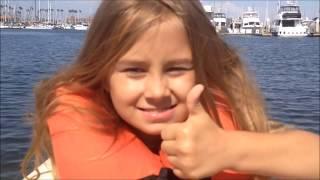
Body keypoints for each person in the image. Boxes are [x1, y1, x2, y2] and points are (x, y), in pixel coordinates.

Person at [21, 0, 319, 179]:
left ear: (205, 68)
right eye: (134, 70)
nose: (157, 91)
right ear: (102, 75)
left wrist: (230, 149)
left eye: (177, 68)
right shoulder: (58, 169)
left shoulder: (231, 129)